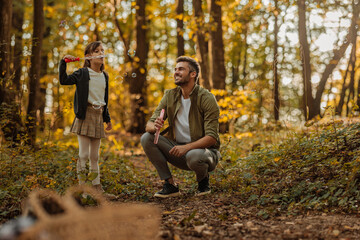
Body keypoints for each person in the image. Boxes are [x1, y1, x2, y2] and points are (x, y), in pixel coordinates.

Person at [141, 56, 221, 198]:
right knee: (147, 138)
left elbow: (211, 138)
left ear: (193, 74)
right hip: (177, 150)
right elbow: (149, 124)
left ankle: (203, 183)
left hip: (204, 154)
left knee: (194, 155)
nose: (176, 72)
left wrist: (187, 147)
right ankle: (170, 185)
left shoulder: (206, 98)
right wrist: (155, 126)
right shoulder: (170, 96)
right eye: (175, 69)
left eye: (181, 69)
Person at [59, 41, 113, 196]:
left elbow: (104, 99)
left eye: (102, 50)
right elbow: (64, 80)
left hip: (98, 115)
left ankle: (97, 190)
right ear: (88, 57)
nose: (101, 53)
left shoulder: (105, 76)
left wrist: (107, 118)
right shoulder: (82, 73)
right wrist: (63, 62)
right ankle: (83, 190)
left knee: (95, 156)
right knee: (83, 155)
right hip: (85, 115)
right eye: (97, 51)